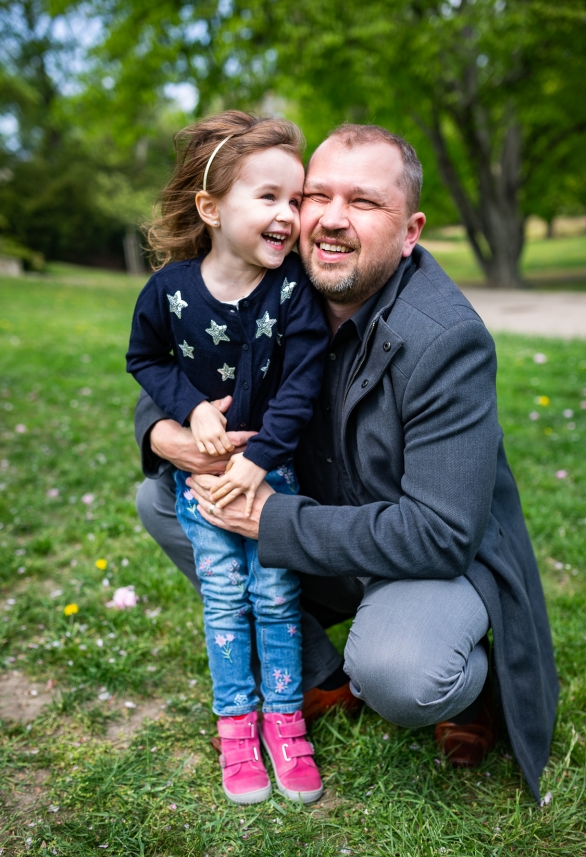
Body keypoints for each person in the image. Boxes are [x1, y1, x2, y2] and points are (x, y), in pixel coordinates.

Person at [135, 123, 559, 804]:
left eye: (363, 202)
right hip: (323, 527)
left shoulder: (447, 339)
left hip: (421, 560)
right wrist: (164, 430)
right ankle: (325, 674)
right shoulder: (278, 284)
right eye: (316, 196)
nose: (331, 219)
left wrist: (273, 521)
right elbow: (183, 360)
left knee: (403, 671)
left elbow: (441, 534)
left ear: (411, 231)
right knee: (164, 499)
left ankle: (464, 675)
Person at [127, 111, 330, 805]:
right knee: (223, 598)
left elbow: (303, 382)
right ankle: (236, 726)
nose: (288, 216)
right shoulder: (170, 291)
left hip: (271, 478)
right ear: (211, 209)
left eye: (295, 200)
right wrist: (192, 410)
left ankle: (285, 721)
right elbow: (145, 358)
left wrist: (260, 459)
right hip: (205, 483)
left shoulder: (294, 289)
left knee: (274, 596)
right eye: (268, 197)